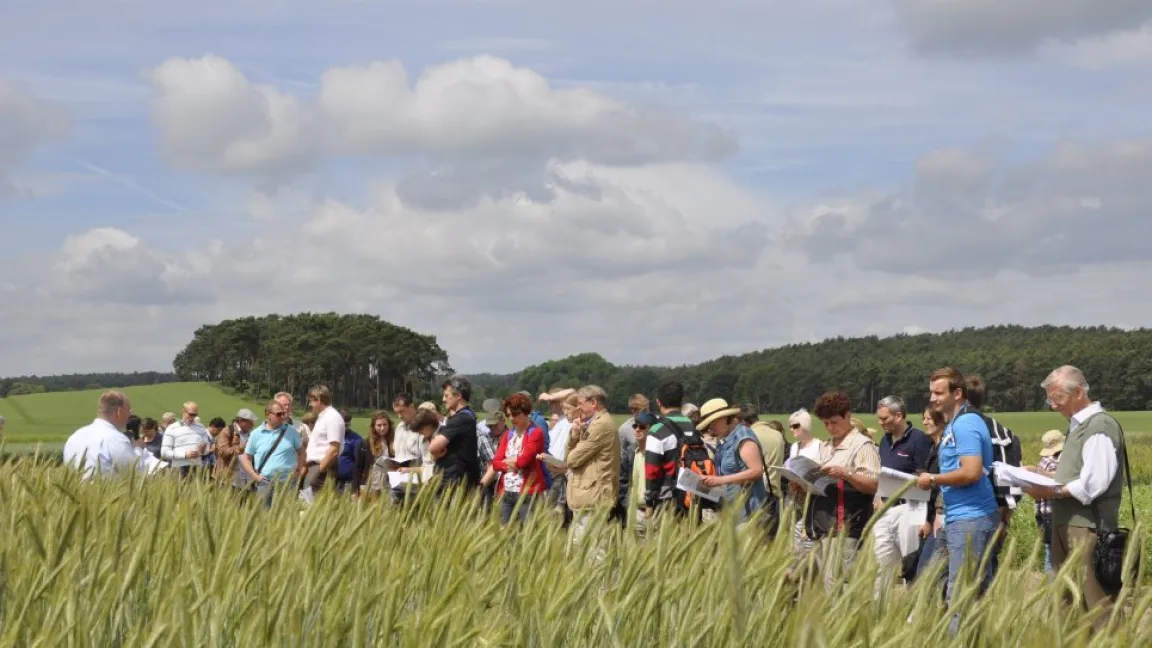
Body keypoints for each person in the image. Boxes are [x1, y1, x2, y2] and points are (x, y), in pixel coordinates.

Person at [1023, 365, 1128, 620]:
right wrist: (1039, 474)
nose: (1052, 405)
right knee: (1068, 607)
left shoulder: (1099, 426)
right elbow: (1074, 477)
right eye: (1050, 398)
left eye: (1057, 397)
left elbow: (1092, 486)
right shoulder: (1078, 426)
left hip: (1088, 529)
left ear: (1079, 392)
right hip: (1067, 525)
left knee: (1097, 608)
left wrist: (1049, 490)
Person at [916, 367, 999, 618]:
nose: (933, 398)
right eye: (931, 392)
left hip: (970, 518)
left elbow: (971, 471)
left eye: (939, 393)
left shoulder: (965, 424)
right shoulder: (955, 423)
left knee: (961, 595)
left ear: (958, 393)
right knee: (934, 584)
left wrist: (933, 478)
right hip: (956, 517)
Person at [796, 391, 880, 593]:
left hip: (846, 528)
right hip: (822, 526)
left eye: (834, 422)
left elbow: (873, 484)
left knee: (838, 589)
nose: (830, 428)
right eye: (825, 424)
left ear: (847, 415)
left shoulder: (862, 445)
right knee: (824, 588)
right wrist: (802, 484)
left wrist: (847, 473)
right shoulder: (826, 446)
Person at [872, 395, 933, 593]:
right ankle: (879, 610)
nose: (880, 423)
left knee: (911, 564)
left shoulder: (919, 440)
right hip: (885, 509)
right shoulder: (884, 441)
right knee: (882, 566)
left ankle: (913, 612)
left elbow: (924, 474)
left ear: (898, 416)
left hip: (911, 508)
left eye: (884, 419)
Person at [699, 399, 773, 529]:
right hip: (734, 512)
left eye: (712, 423)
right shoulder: (725, 439)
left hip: (749, 514)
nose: (710, 428)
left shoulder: (743, 437)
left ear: (725, 418)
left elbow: (756, 471)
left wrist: (720, 480)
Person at [566, 385, 621, 546]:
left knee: (593, 549)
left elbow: (572, 460)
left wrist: (576, 438)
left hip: (593, 497)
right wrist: (576, 435)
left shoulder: (600, 425)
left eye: (580, 404)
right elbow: (569, 458)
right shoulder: (596, 423)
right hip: (588, 496)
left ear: (594, 403)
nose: (578, 408)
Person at [488, 393, 548, 525]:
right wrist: (511, 462)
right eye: (509, 415)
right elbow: (495, 463)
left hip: (527, 492)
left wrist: (507, 460)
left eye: (515, 414)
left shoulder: (536, 432)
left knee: (528, 533)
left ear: (526, 412)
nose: (511, 418)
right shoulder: (508, 434)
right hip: (506, 491)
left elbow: (523, 462)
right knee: (505, 532)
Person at [643, 381, 697, 522]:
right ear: (681, 402)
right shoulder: (692, 425)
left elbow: (652, 470)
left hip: (668, 498)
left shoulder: (657, 430)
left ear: (658, 402)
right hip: (693, 494)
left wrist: (649, 503)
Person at [241, 400, 306, 508]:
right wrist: (255, 476)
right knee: (264, 517)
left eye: (283, 414)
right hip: (265, 482)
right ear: (267, 414)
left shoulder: (291, 431)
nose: (282, 417)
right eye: (278, 414)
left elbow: (301, 452)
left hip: (288, 483)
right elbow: (246, 458)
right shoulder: (256, 434)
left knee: (286, 518)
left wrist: (299, 471)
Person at [63, 390, 141, 480]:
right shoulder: (117, 439)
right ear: (118, 412)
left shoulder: (74, 437)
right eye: (129, 412)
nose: (129, 416)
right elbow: (136, 475)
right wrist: (138, 449)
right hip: (109, 493)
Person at [430, 376, 481, 493]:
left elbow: (433, 446)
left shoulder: (462, 418)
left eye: (447, 395)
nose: (443, 399)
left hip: (455, 483)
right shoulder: (460, 417)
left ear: (458, 396)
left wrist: (436, 450)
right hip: (450, 480)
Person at [1032, 429, 1065, 577]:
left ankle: (1050, 590)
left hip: (1042, 514)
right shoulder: (1057, 462)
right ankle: (1053, 591)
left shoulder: (1042, 462)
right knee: (1054, 555)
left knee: (1049, 552)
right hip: (1055, 513)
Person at [304, 385, 345, 494]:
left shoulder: (332, 417)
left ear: (319, 400)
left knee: (316, 505)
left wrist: (319, 470)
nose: (310, 404)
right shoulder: (324, 417)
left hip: (323, 469)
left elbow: (334, 449)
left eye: (312, 401)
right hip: (316, 467)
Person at [740, 404, 786, 494]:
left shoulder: (749, 437)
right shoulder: (778, 434)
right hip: (775, 492)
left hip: (756, 495)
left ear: (743, 422)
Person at [161, 401, 213, 477]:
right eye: (191, 414)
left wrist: (203, 450)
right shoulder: (171, 428)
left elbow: (207, 448)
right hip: (178, 468)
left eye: (195, 415)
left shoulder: (201, 427)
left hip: (197, 468)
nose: (193, 417)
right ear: (183, 412)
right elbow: (164, 452)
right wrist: (185, 454)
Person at [215, 409, 259, 489]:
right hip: (228, 479)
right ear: (241, 420)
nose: (253, 424)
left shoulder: (250, 435)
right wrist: (241, 447)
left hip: (245, 481)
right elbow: (223, 452)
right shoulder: (227, 431)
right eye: (251, 422)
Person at [357, 410, 395, 501]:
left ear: (389, 425)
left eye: (385, 425)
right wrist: (355, 489)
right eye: (379, 425)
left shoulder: (394, 442)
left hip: (387, 487)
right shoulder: (365, 443)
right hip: (368, 487)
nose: (382, 428)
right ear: (373, 426)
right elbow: (358, 467)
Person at [335, 409, 364, 494]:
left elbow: (359, 463)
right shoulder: (331, 436)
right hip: (331, 479)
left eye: (347, 425)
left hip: (348, 482)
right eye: (343, 425)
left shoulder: (356, 439)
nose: (345, 428)